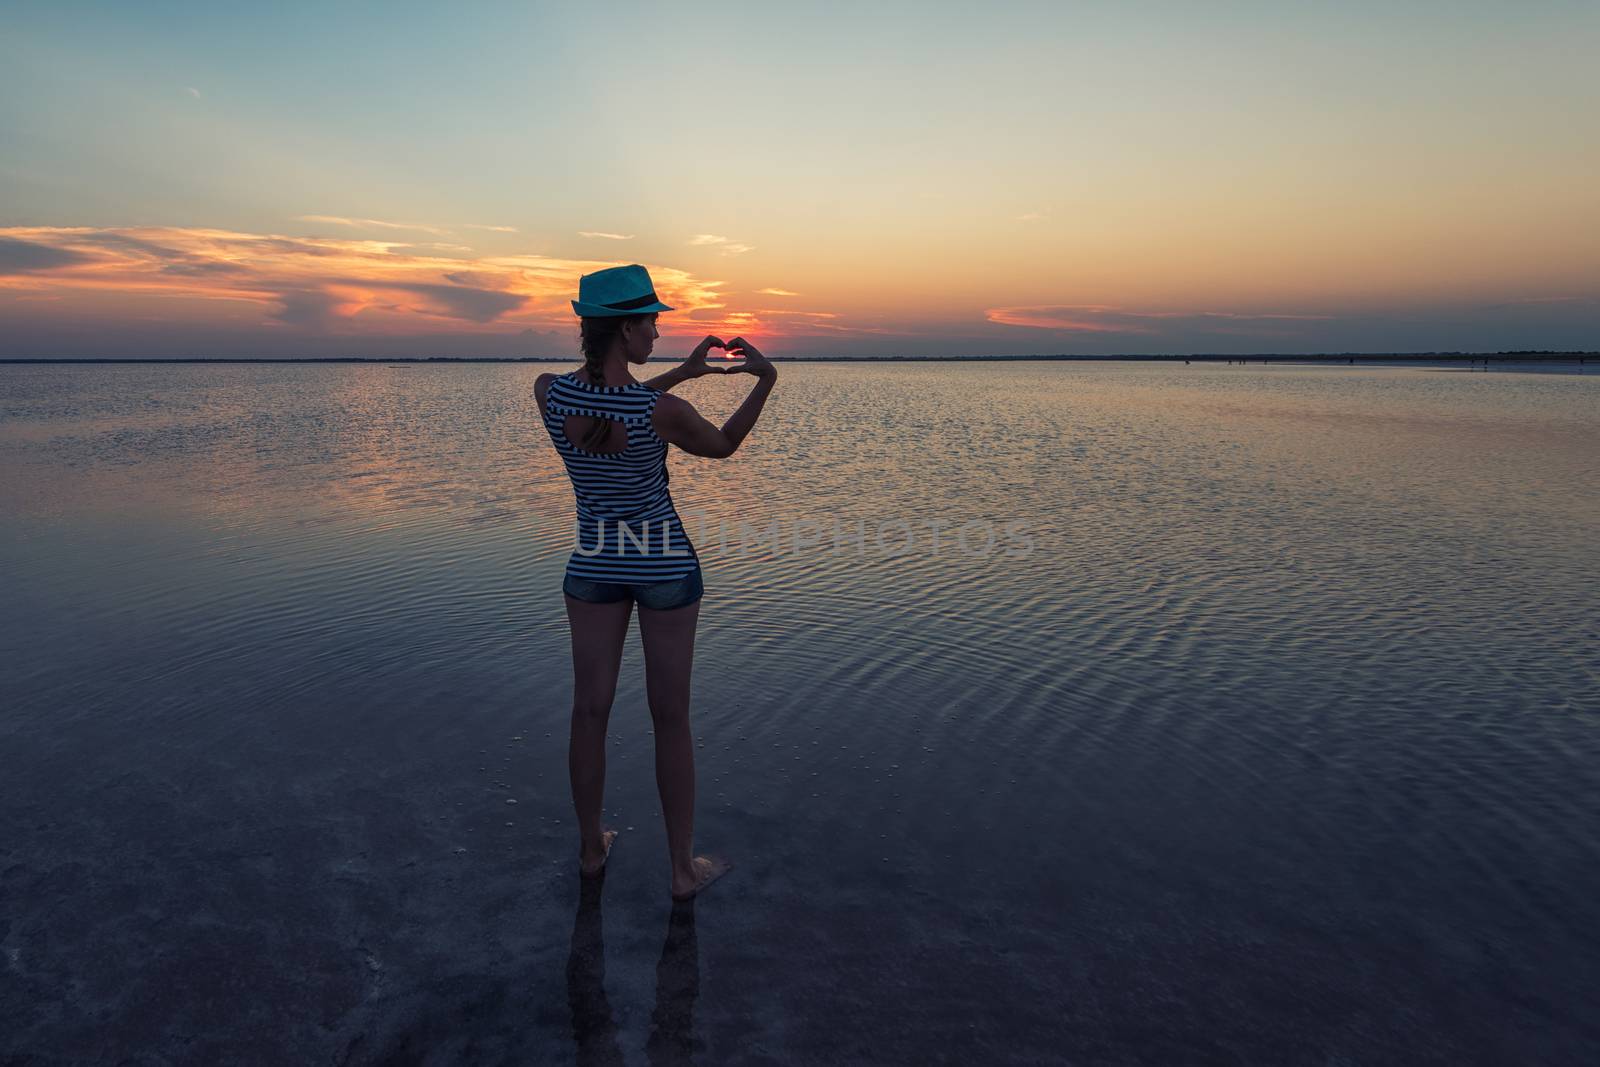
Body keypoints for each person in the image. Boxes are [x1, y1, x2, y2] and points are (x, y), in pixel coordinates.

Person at [535, 263, 778, 900]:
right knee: (669, 716)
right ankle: (680, 871)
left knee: (589, 710)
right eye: (651, 323)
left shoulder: (549, 394)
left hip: (593, 564)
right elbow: (723, 445)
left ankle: (592, 852)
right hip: (664, 564)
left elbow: (609, 409)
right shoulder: (661, 411)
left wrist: (687, 374)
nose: (657, 334)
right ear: (624, 329)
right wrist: (765, 380)